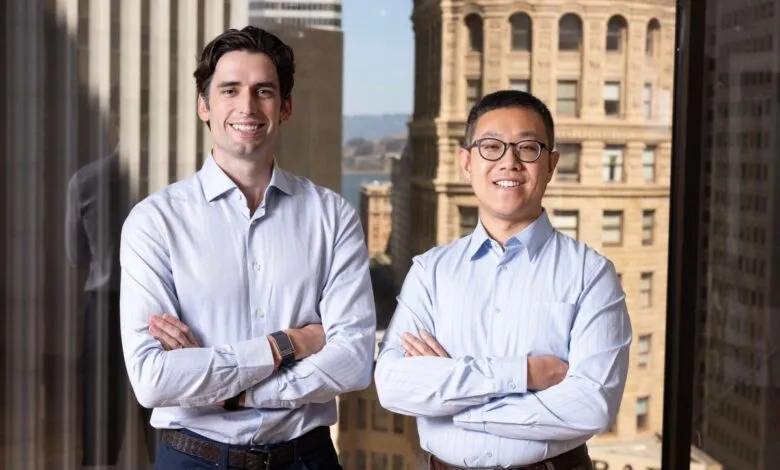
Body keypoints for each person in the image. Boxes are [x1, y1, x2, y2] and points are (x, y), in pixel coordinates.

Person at [118, 26, 376, 470]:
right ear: (205, 105)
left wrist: (233, 388)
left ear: (286, 106)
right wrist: (288, 343)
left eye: (264, 91)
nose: (247, 107)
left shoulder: (332, 217)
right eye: (230, 90)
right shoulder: (154, 222)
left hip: (307, 459)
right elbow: (153, 379)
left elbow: (353, 360)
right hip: (192, 459)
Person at [374, 90, 632, 470]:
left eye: (527, 148)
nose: (509, 162)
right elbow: (394, 384)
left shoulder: (590, 274)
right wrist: (523, 374)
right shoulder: (431, 272)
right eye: (491, 147)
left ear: (551, 164)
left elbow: (591, 407)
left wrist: (457, 406)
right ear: (467, 162)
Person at [65, 150, 158, 467]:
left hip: (106, 307)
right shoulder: (168, 183)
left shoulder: (85, 180)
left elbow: (76, 256)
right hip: (159, 308)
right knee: (160, 412)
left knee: (100, 413)